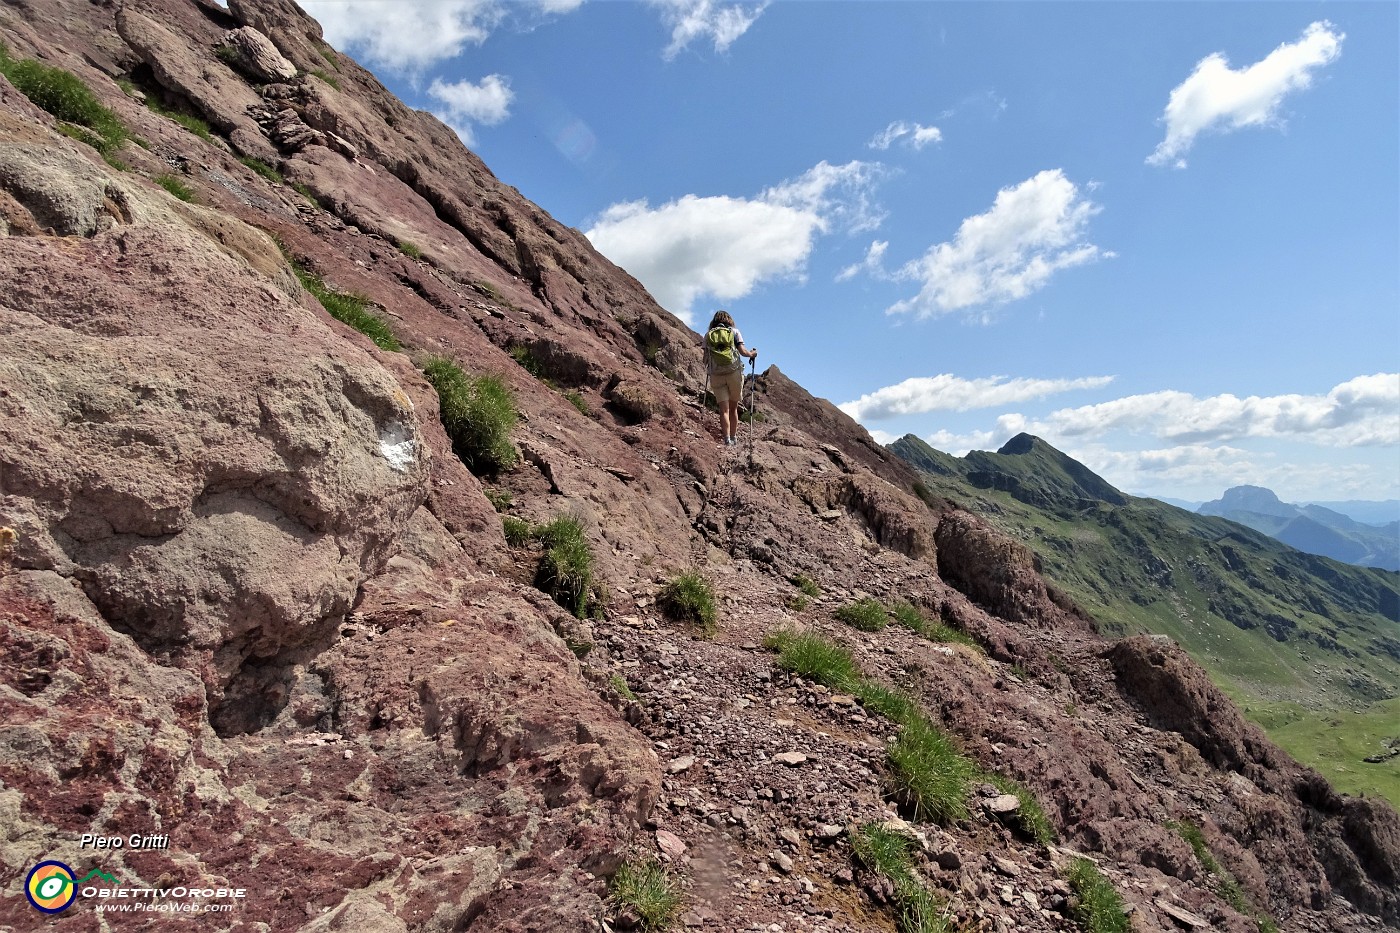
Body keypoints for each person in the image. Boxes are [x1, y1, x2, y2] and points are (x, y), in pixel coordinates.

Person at [703, 310, 758, 447]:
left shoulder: (708, 335)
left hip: (716, 375)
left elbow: (705, 358)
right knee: (733, 409)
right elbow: (743, 352)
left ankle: (726, 439)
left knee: (724, 410)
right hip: (734, 373)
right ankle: (733, 438)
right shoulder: (734, 332)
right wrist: (753, 354)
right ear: (729, 320)